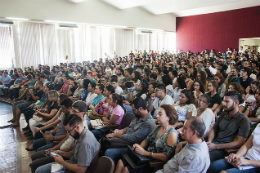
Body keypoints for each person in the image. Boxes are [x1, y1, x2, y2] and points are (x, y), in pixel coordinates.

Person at [115, 105, 179, 173]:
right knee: (120, 162)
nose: (157, 116)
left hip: (152, 163)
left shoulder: (172, 134)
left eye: (160, 114)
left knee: (126, 170)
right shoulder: (157, 127)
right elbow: (146, 140)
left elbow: (165, 156)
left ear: (168, 117)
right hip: (144, 157)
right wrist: (139, 147)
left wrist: (145, 153)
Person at [35, 114, 99, 173]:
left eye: (69, 131)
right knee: (39, 168)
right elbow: (75, 154)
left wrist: (63, 163)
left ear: (77, 127)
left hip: (72, 169)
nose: (68, 134)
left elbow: (81, 170)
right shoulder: (80, 134)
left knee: (39, 171)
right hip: (70, 164)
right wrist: (61, 153)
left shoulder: (85, 143)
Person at [104, 97, 156, 162]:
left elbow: (132, 138)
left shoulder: (148, 123)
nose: (133, 112)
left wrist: (116, 135)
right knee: (106, 141)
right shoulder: (137, 115)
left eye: (134, 110)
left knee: (109, 152)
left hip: (132, 146)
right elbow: (129, 127)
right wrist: (120, 131)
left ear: (140, 109)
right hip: (126, 139)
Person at [207, 91, 250, 164]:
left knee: (203, 158)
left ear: (236, 103)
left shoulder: (243, 120)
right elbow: (214, 129)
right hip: (214, 144)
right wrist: (209, 142)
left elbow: (239, 142)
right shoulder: (224, 114)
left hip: (225, 149)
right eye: (224, 101)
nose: (224, 104)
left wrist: (215, 147)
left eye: (227, 102)